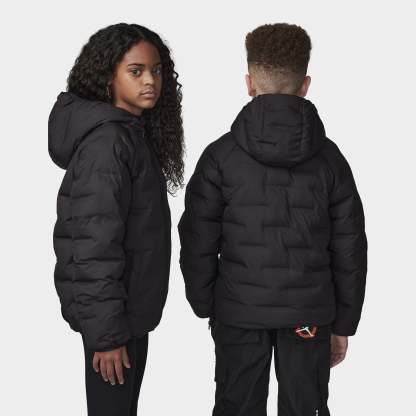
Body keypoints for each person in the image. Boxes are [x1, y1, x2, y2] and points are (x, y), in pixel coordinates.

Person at [178, 23, 367, 415]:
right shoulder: (332, 161)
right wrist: (343, 324)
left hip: (238, 311)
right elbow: (350, 247)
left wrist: (207, 303)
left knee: (236, 407)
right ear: (305, 84)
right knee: (304, 408)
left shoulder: (219, 157)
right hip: (309, 316)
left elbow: (196, 240)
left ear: (249, 83)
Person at [48, 23, 184, 416]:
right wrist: (107, 337)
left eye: (156, 70)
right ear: (108, 77)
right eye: (136, 71)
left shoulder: (128, 135)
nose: (150, 81)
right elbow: (92, 247)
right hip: (112, 325)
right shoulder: (107, 144)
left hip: (127, 316)